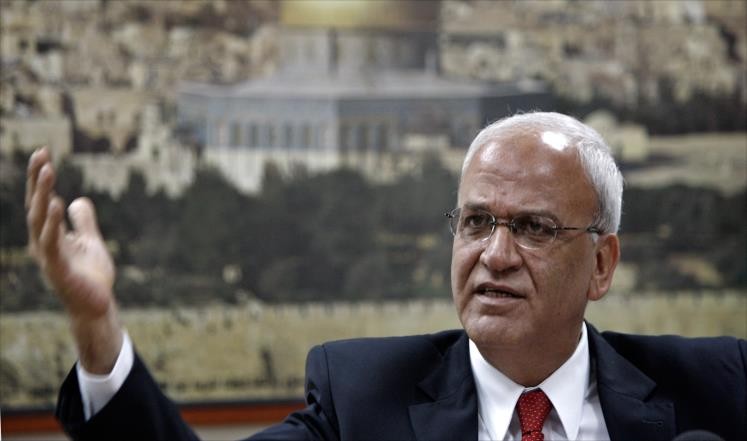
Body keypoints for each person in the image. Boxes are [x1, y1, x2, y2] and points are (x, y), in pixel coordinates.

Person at [26, 112, 745, 441]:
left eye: (532, 228)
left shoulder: (716, 390)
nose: (494, 254)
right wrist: (97, 327)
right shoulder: (362, 399)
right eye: (475, 221)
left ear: (601, 263)